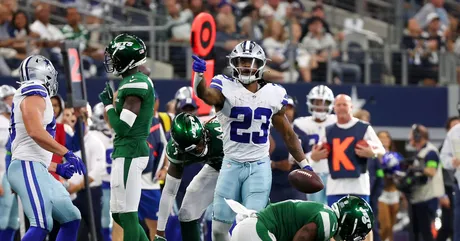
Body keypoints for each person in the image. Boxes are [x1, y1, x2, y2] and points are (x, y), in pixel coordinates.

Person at [192, 40, 315, 241]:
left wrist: (305, 164)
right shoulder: (224, 85)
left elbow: (288, 134)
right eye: (242, 60)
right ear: (234, 62)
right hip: (231, 164)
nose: (246, 65)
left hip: (259, 167)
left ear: (260, 65)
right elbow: (205, 94)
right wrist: (199, 76)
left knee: (251, 226)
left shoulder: (273, 94)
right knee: (219, 230)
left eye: (250, 61)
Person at [7, 54, 86, 241]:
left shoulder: (35, 94)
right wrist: (67, 153)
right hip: (26, 166)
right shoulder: (34, 92)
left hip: (35, 167)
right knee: (42, 223)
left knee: (71, 217)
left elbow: (32, 148)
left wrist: (57, 167)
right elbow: (34, 132)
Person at [98, 33, 154, 241]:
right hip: (125, 150)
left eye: (115, 57)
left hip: (131, 150)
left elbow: (122, 127)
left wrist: (108, 105)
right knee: (117, 214)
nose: (112, 61)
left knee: (128, 214)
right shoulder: (131, 81)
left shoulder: (136, 83)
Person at [310, 94, 385, 241]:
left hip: (359, 184)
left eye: (345, 104)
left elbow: (381, 150)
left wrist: (372, 152)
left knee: (365, 223)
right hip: (335, 185)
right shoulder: (328, 130)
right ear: (334, 108)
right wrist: (314, 156)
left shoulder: (364, 127)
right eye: (339, 104)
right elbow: (315, 154)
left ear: (351, 107)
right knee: (334, 224)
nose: (342, 107)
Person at [155, 112, 224, 241]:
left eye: (200, 141)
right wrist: (159, 233)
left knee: (237, 219)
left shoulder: (220, 132)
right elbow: (169, 191)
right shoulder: (177, 152)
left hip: (240, 167)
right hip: (216, 167)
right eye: (194, 147)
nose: (200, 147)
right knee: (187, 213)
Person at [229, 195, 374, 241]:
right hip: (257, 232)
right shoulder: (329, 221)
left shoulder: (326, 214)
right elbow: (300, 239)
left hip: (251, 230)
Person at [293, 84, 336, 204]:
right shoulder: (300, 124)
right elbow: (292, 157)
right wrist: (312, 157)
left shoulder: (336, 121)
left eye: (324, 102)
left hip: (334, 174)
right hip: (311, 174)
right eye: (316, 102)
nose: (320, 106)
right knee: (314, 211)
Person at [90, 102, 114, 241]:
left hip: (116, 183)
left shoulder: (116, 134)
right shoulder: (94, 135)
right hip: (103, 182)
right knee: (104, 219)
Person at [0, 92, 18, 241]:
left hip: (14, 173)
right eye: (8, 98)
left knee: (14, 220)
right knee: (2, 219)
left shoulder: (17, 119)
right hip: (1, 174)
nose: (12, 101)